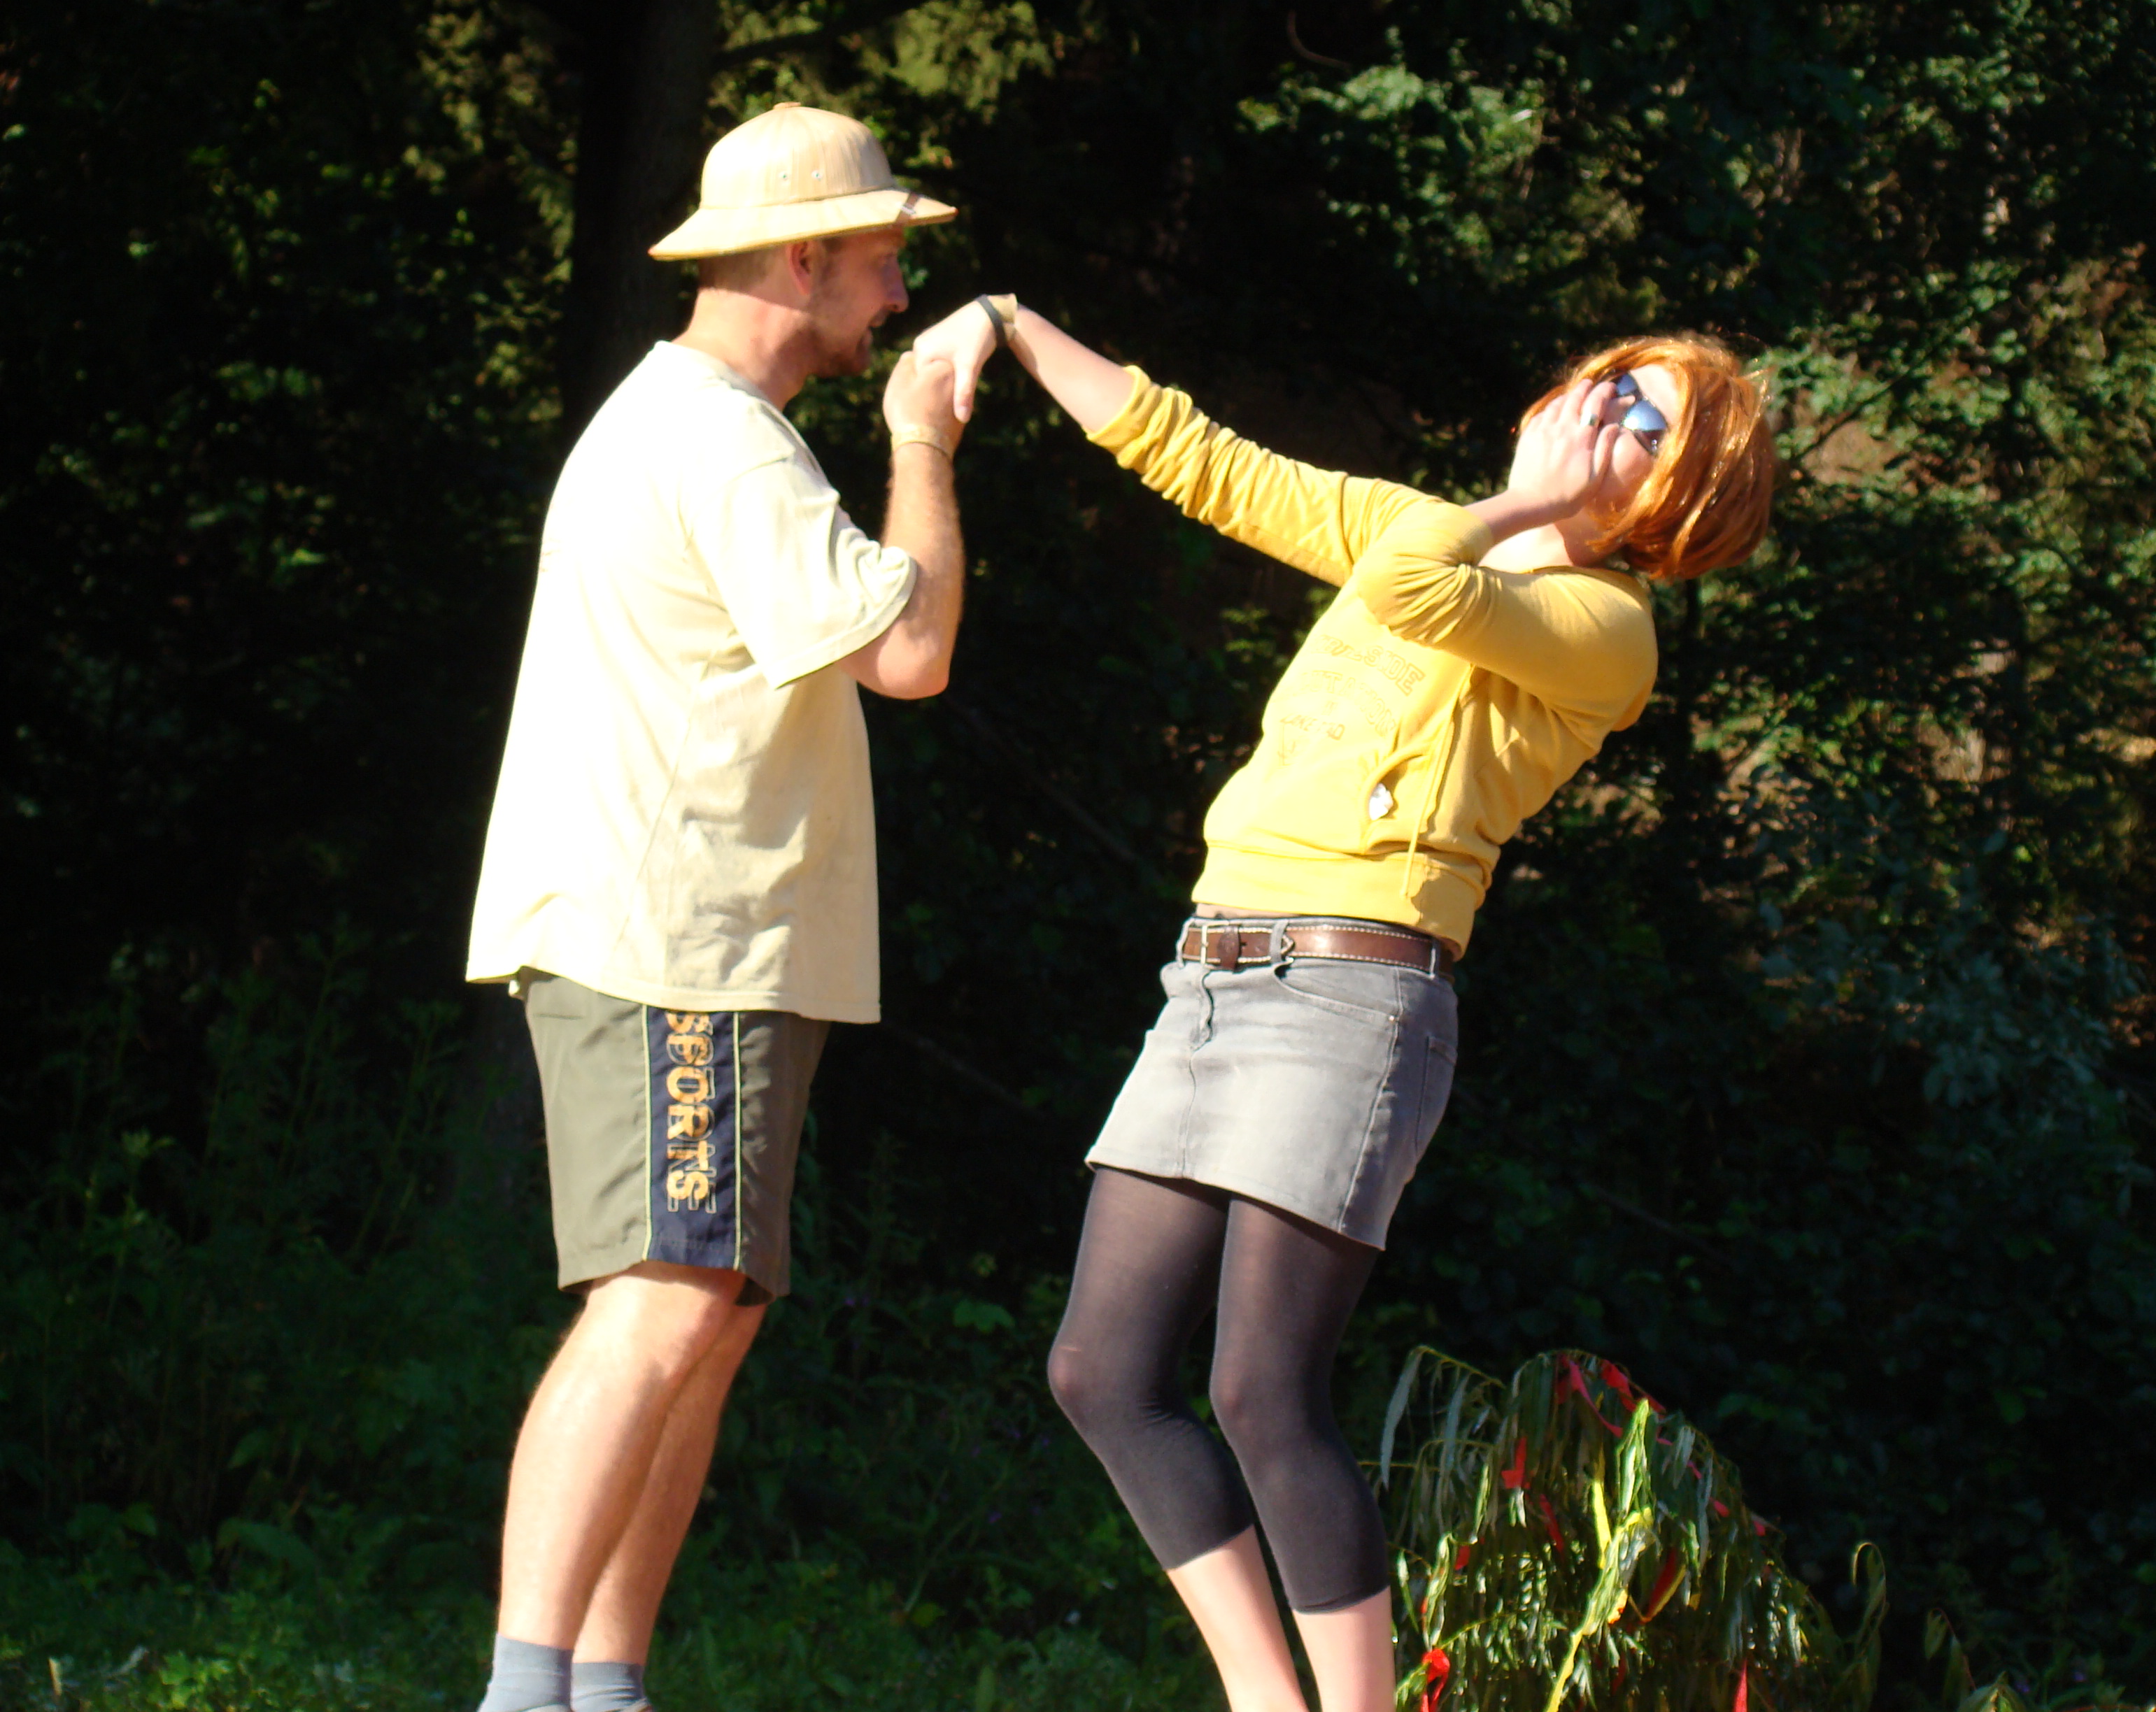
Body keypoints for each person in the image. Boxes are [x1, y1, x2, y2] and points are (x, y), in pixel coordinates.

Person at [909, 299, 1774, 1712]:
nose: (1599, 406)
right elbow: (1203, 461)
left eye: (1643, 417)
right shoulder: (1431, 529)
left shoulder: (1608, 629)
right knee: (1100, 1372)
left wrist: (1524, 502)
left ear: (1679, 496)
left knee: (1262, 1390)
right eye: (1606, 381)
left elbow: (1419, 592)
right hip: (1211, 973)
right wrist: (1007, 323)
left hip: (1353, 989)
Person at [461, 104, 974, 1712]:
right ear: (802, 260)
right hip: (675, 942)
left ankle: (601, 1687)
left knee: (707, 1316)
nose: (900, 291)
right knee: (662, 1302)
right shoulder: (722, 437)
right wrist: (922, 444)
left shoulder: (693, 424)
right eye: (883, 256)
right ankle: (526, 1694)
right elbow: (911, 653)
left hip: (709, 942)